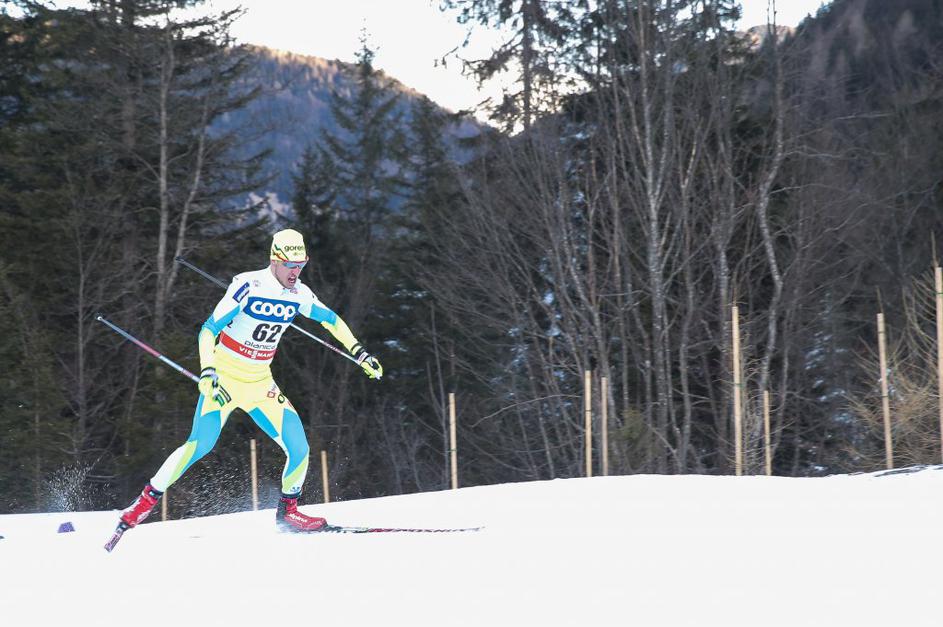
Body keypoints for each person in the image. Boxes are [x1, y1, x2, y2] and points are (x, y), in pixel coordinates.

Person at [117, 229, 382, 533]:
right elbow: (208, 330)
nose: (295, 272)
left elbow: (331, 320)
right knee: (200, 444)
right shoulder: (248, 285)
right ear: (275, 260)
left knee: (299, 448)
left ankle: (288, 512)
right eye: (290, 265)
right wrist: (208, 371)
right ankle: (143, 503)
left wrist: (360, 353)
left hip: (260, 384)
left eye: (300, 265)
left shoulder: (300, 293)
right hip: (225, 381)